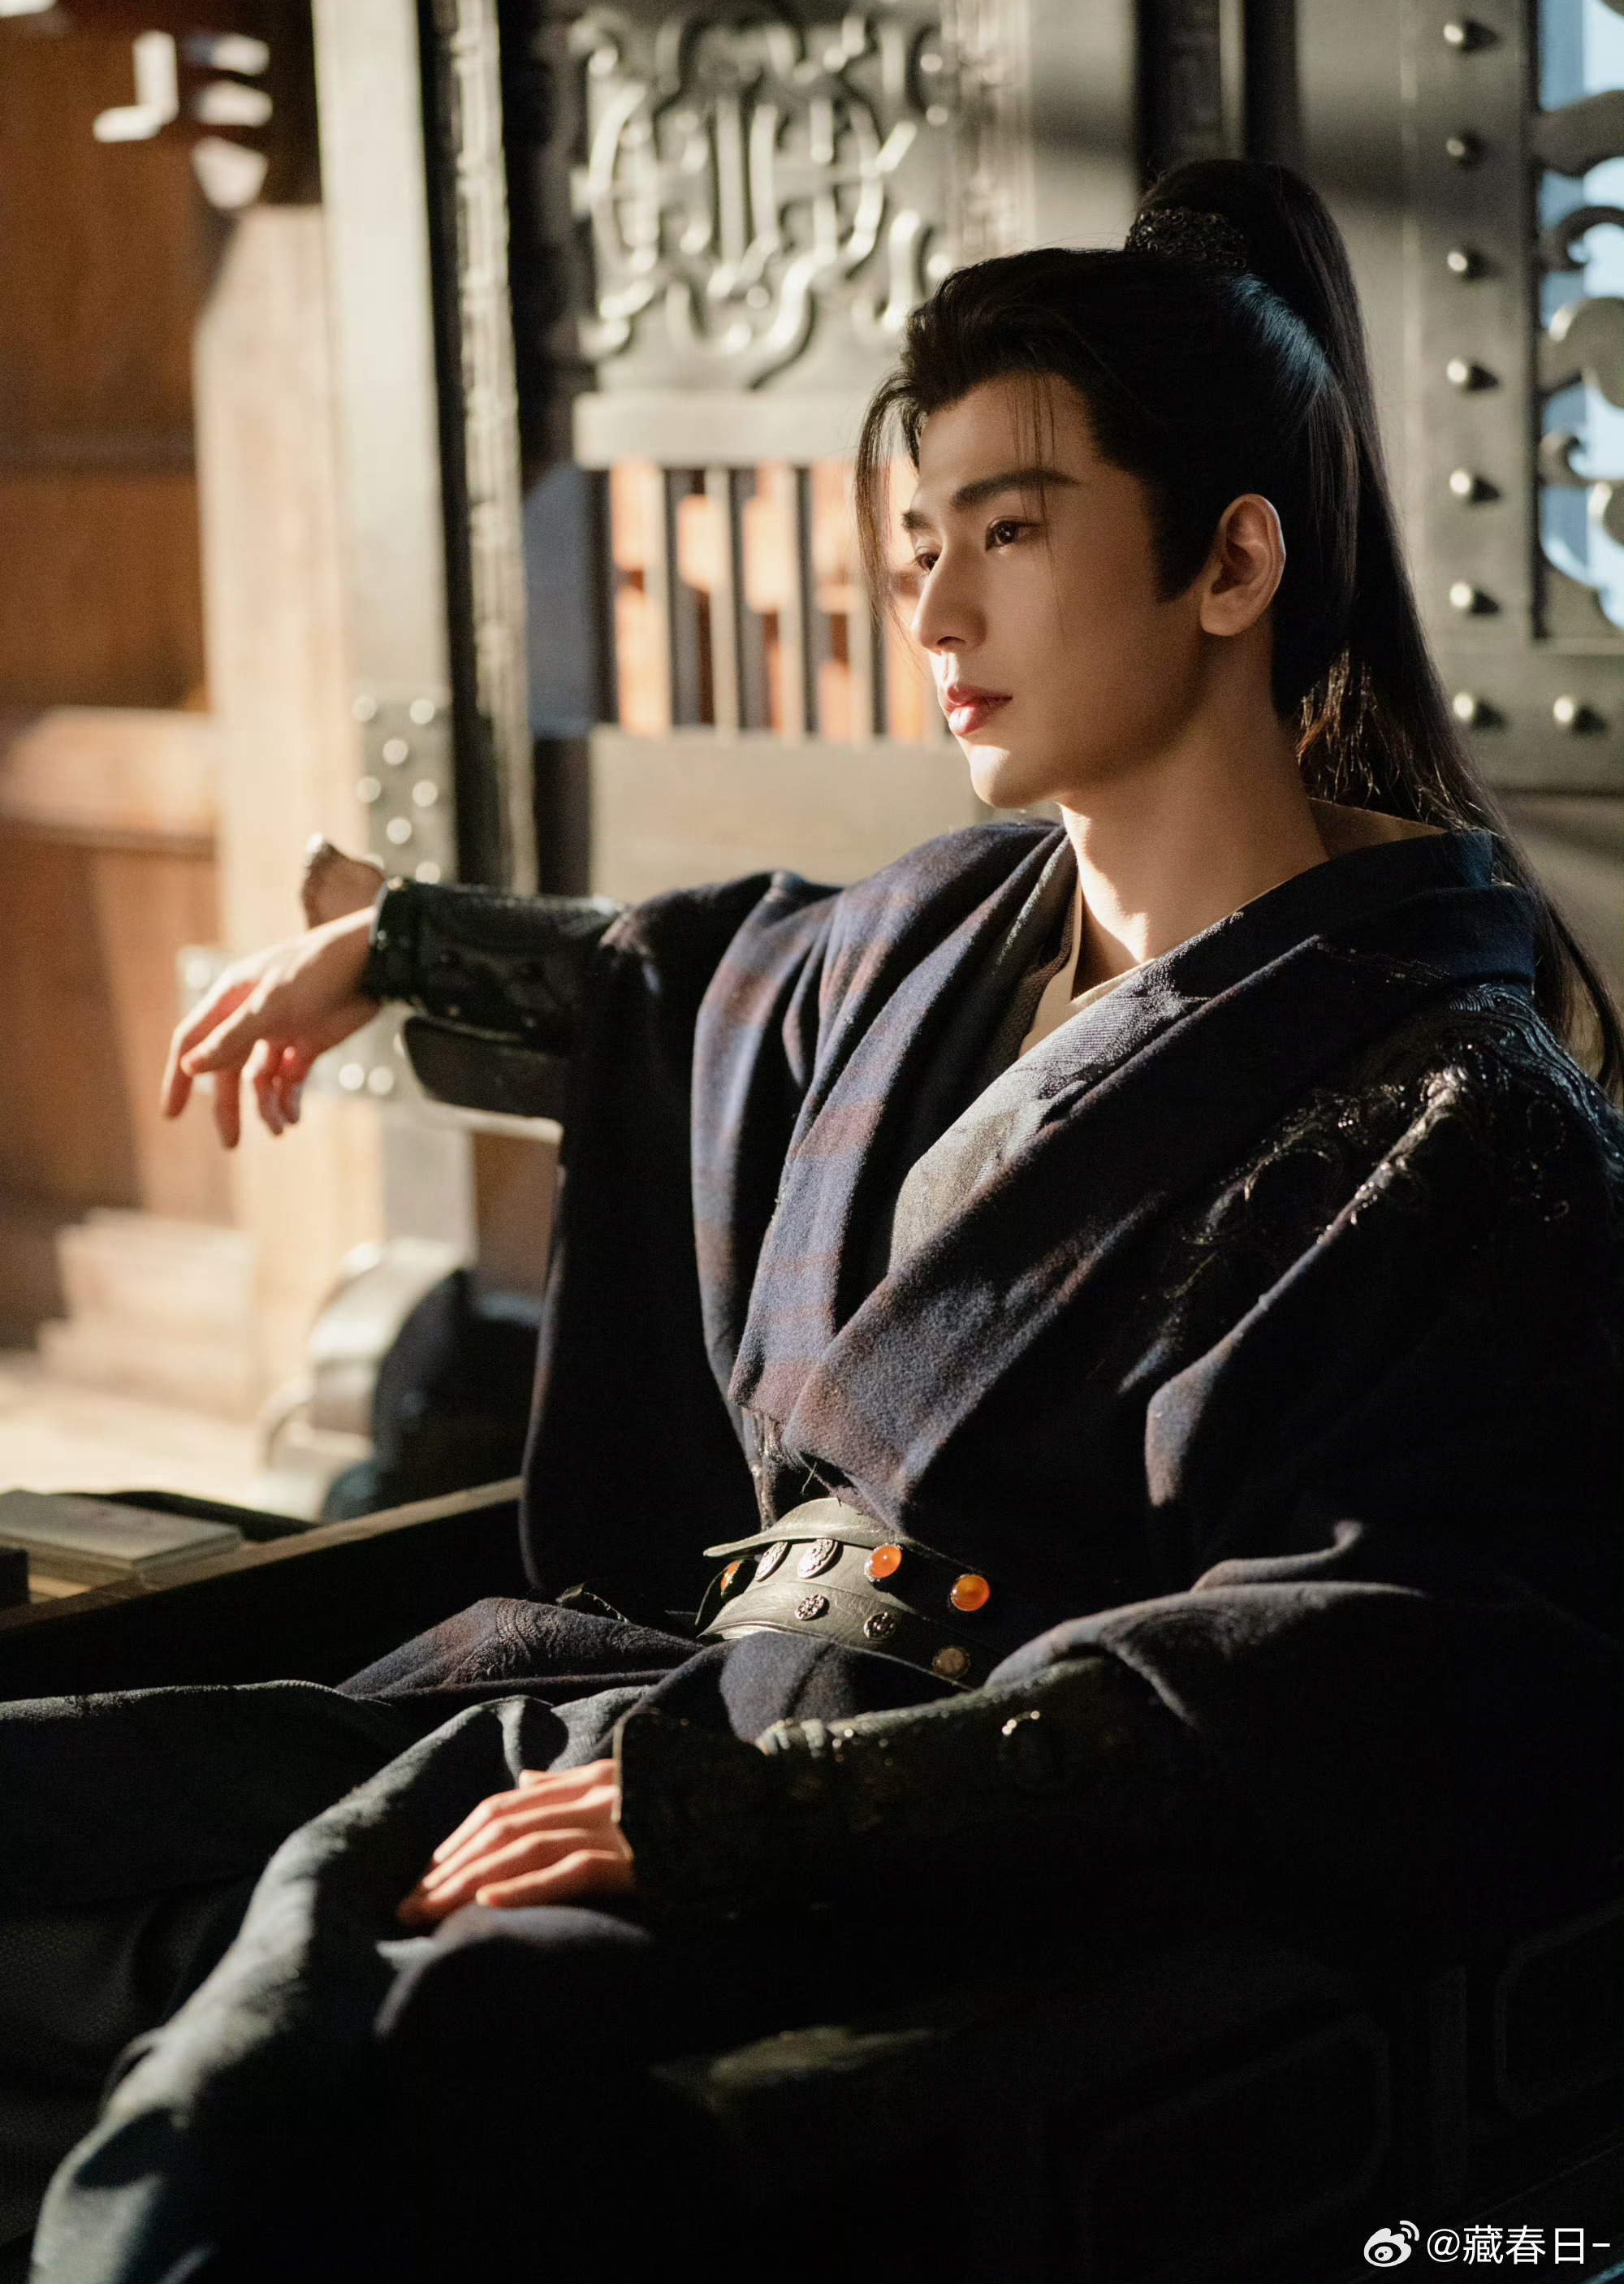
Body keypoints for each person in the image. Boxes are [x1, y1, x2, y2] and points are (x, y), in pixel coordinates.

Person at [3, 161, 1619, 2282]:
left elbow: (1374, 1660)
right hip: (671, 1705)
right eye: (919, 547)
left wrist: (775, 1819)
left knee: (355, 2066)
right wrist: (397, 948)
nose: (935, 618)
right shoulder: (947, 931)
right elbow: (697, 985)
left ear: (1234, 560)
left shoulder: (1455, 1115)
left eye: (1010, 535)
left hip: (946, 1848)